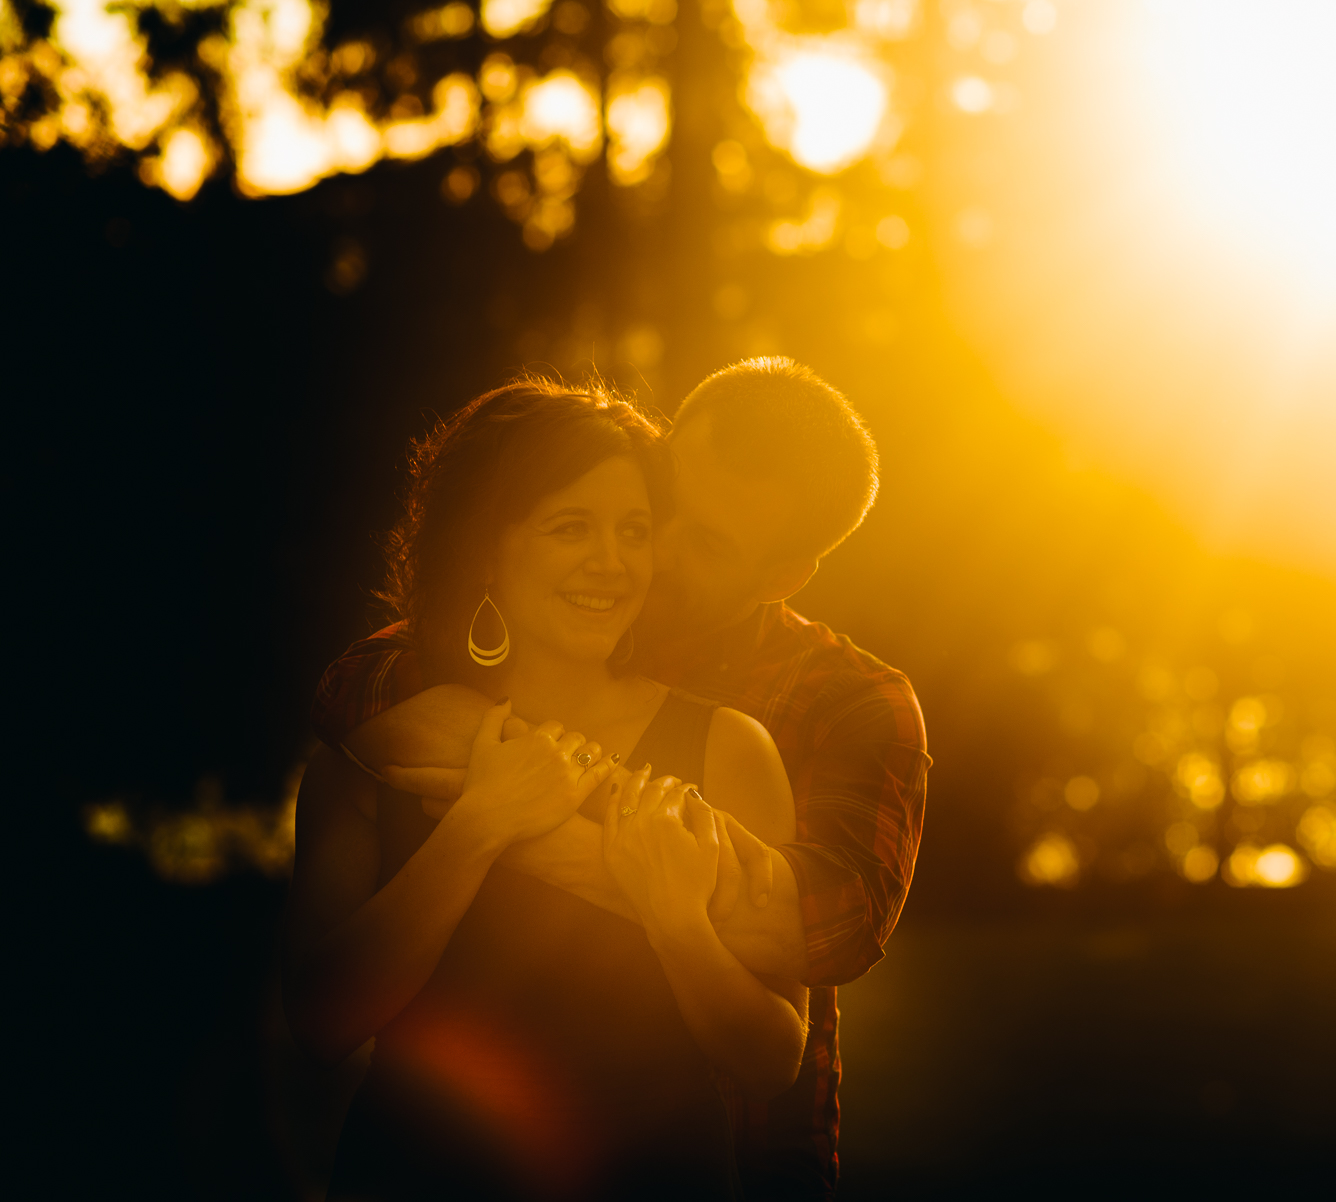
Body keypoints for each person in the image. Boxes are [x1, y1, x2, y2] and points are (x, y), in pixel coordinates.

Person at [312, 357, 930, 1198]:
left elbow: (828, 926)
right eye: (662, 506)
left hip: (732, 1159)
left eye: (704, 542)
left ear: (781, 577)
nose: (650, 553)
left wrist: (621, 851)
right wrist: (500, 812)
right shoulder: (497, 642)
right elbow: (357, 689)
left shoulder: (851, 707)